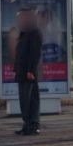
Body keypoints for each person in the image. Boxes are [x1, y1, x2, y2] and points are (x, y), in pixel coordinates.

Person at [14, 8, 43, 136]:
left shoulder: (34, 33)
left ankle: (32, 125)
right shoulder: (25, 33)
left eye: (22, 18)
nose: (20, 21)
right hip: (22, 71)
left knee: (29, 99)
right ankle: (27, 125)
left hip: (28, 72)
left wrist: (31, 70)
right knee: (26, 99)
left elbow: (35, 53)